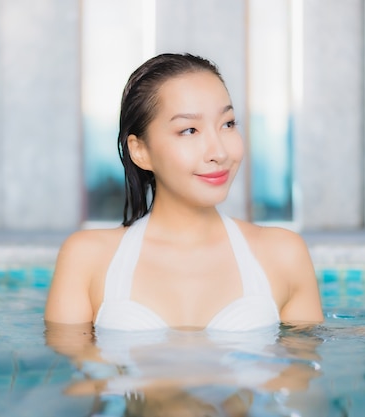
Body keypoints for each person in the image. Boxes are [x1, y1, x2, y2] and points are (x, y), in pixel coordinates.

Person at [45, 52, 323, 331]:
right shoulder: (87, 258)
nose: (219, 152)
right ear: (140, 151)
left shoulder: (284, 254)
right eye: (189, 130)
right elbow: (79, 372)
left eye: (227, 124)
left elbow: (297, 371)